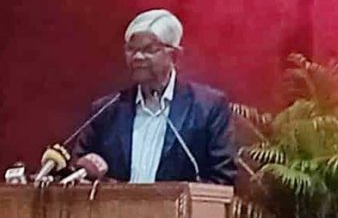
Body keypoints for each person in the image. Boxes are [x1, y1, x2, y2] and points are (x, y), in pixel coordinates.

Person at [73, 9, 236, 184]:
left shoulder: (207, 108)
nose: (137, 57)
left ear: (174, 56)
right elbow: (77, 169)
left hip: (180, 203)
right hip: (115, 203)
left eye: (149, 49)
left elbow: (223, 178)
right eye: (131, 49)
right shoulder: (107, 110)